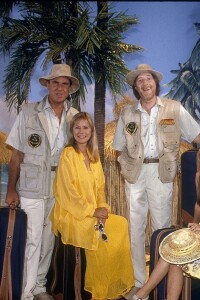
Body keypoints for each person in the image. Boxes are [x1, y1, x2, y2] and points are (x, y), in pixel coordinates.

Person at [112, 64, 200, 290]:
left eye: (149, 79)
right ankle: (139, 282)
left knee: (161, 227)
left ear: (155, 83)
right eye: (140, 81)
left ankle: (158, 280)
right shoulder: (127, 113)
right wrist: (125, 167)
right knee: (135, 226)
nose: (145, 84)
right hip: (135, 174)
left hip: (162, 173)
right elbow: (117, 147)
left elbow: (196, 134)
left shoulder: (173, 108)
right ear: (135, 87)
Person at [131, 132, 200, 300]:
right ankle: (142, 295)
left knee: (179, 254)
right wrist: (192, 225)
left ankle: (141, 295)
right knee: (176, 252)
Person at [5, 64, 79, 300]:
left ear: (70, 88)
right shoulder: (28, 112)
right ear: (47, 85)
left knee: (48, 239)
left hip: (60, 187)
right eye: (55, 82)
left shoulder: (74, 116)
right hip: (32, 185)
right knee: (33, 239)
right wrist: (10, 190)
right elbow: (16, 155)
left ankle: (38, 287)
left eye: (64, 83)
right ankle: (25, 294)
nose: (59, 88)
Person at [51, 112, 134, 299]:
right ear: (72, 131)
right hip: (71, 214)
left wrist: (103, 208)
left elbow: (100, 191)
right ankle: (91, 288)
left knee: (120, 224)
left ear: (91, 131)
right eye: (77, 127)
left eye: (85, 127)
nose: (81, 132)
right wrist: (92, 211)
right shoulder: (68, 154)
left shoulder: (94, 157)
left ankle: (106, 285)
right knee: (91, 230)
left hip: (93, 212)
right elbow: (66, 192)